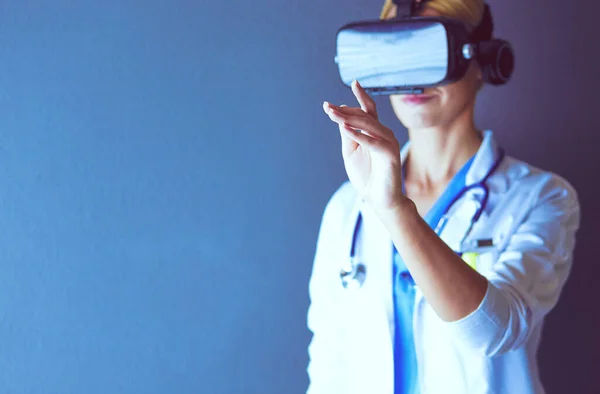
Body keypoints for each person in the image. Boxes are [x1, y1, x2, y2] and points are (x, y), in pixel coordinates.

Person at [306, 0, 581, 393]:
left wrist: (395, 210)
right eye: (399, 53)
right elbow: (329, 366)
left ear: (485, 61)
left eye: (432, 52)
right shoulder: (346, 209)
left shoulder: (543, 197)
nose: (414, 77)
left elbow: (496, 333)